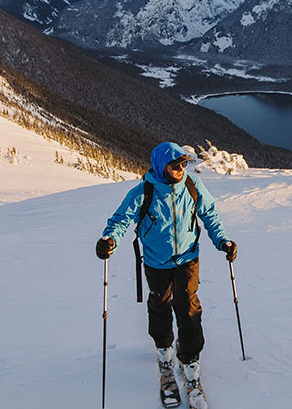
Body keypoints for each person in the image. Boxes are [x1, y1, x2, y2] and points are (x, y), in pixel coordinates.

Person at [96, 142, 236, 407]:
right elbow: (120, 220)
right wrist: (109, 240)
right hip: (156, 262)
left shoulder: (193, 187)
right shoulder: (144, 192)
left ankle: (191, 366)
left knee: (189, 309)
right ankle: (164, 355)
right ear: (162, 166)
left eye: (184, 164)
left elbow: (210, 215)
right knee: (160, 305)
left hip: (187, 259)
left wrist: (223, 241)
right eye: (175, 165)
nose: (181, 169)